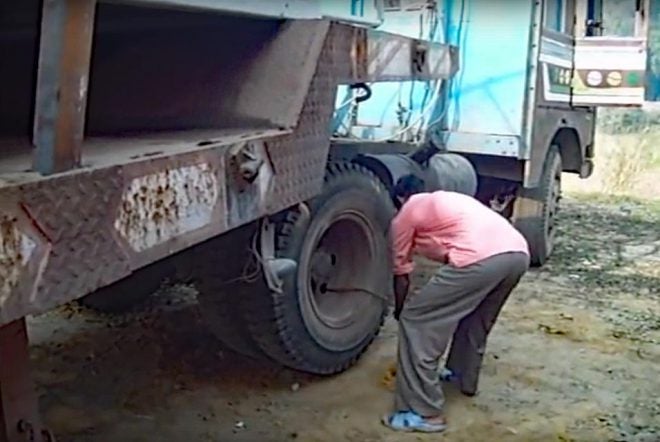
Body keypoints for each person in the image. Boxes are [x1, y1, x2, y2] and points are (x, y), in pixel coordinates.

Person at [382, 174, 530, 433]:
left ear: (400, 198)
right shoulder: (448, 200)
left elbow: (401, 272)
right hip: (517, 253)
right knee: (475, 317)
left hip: (480, 258)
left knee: (417, 321)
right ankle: (461, 376)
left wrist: (402, 308)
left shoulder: (407, 211)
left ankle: (423, 412)